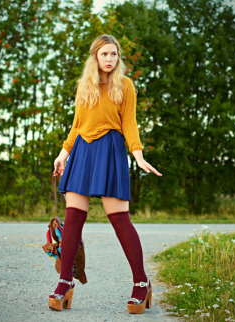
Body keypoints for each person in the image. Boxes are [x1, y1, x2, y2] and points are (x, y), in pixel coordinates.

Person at [49, 34, 162, 314]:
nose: (110, 59)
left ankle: (141, 283)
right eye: (104, 54)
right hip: (82, 151)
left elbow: (130, 123)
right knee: (73, 218)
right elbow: (77, 126)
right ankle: (65, 280)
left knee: (120, 220)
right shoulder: (83, 86)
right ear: (95, 57)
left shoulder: (125, 85)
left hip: (110, 149)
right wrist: (62, 156)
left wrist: (137, 154)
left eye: (114, 54)